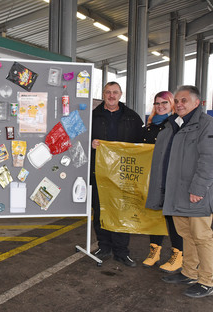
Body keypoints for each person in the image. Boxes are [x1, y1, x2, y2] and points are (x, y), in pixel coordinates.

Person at [146, 85, 213, 298]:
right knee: (186, 235)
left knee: (202, 237)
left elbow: (208, 160)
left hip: (195, 193)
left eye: (185, 100)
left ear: (197, 103)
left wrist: (198, 189)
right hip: (175, 191)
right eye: (178, 100)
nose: (180, 104)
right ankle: (189, 272)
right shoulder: (173, 125)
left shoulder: (206, 125)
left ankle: (207, 280)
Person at [91, 81, 143, 267]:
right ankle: (104, 247)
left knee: (122, 212)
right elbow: (81, 139)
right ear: (103, 94)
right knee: (101, 211)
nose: (111, 96)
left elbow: (141, 146)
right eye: (108, 92)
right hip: (100, 173)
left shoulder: (133, 118)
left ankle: (122, 251)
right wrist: (91, 145)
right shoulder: (93, 116)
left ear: (121, 94)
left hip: (124, 175)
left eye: (115, 92)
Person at [142, 91, 183, 272]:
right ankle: (154, 251)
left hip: (169, 178)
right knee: (154, 216)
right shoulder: (149, 127)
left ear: (172, 103)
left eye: (164, 103)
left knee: (172, 218)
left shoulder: (177, 124)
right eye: (157, 103)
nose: (160, 106)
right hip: (150, 178)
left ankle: (178, 254)